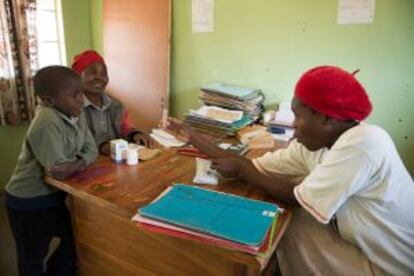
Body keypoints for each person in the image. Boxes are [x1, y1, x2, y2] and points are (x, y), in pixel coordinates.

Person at [166, 66, 414, 275]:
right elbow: (255, 166)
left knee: (287, 223)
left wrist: (241, 170)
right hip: (360, 245)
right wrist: (193, 136)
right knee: (280, 216)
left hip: (389, 267)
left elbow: (295, 197)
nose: (293, 127)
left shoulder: (364, 142)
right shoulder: (314, 146)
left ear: (327, 119)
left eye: (298, 116)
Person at [5, 65, 98, 275]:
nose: (81, 100)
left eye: (81, 93)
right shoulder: (46, 121)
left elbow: (91, 149)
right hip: (28, 202)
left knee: (75, 238)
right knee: (32, 257)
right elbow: (57, 169)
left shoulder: (76, 112)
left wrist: (77, 162)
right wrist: (82, 160)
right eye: (74, 95)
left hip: (53, 196)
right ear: (49, 101)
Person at [71, 50, 151, 154]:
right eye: (92, 73)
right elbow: (73, 141)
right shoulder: (72, 107)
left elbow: (125, 127)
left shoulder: (116, 104)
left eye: (104, 74)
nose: (99, 78)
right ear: (78, 76)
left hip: (116, 162)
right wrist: (102, 146)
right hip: (84, 165)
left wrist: (135, 134)